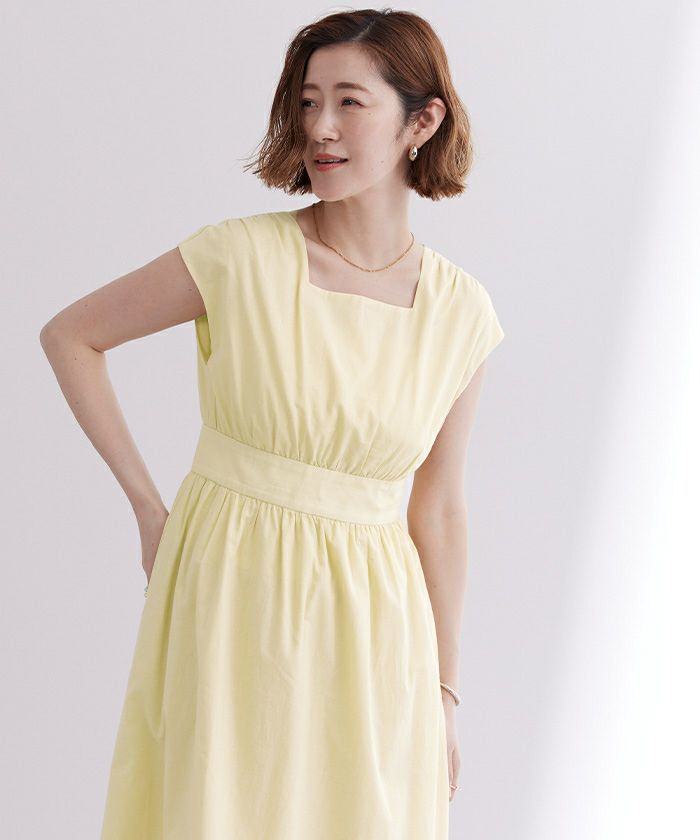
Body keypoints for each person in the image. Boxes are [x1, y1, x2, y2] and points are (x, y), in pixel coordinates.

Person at [39, 8, 504, 839]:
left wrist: (444, 692)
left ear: (422, 122)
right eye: (308, 100)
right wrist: (149, 510)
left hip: (375, 624)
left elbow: (437, 508)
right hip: (231, 586)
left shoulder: (461, 312)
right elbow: (72, 336)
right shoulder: (237, 257)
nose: (320, 126)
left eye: (350, 102)